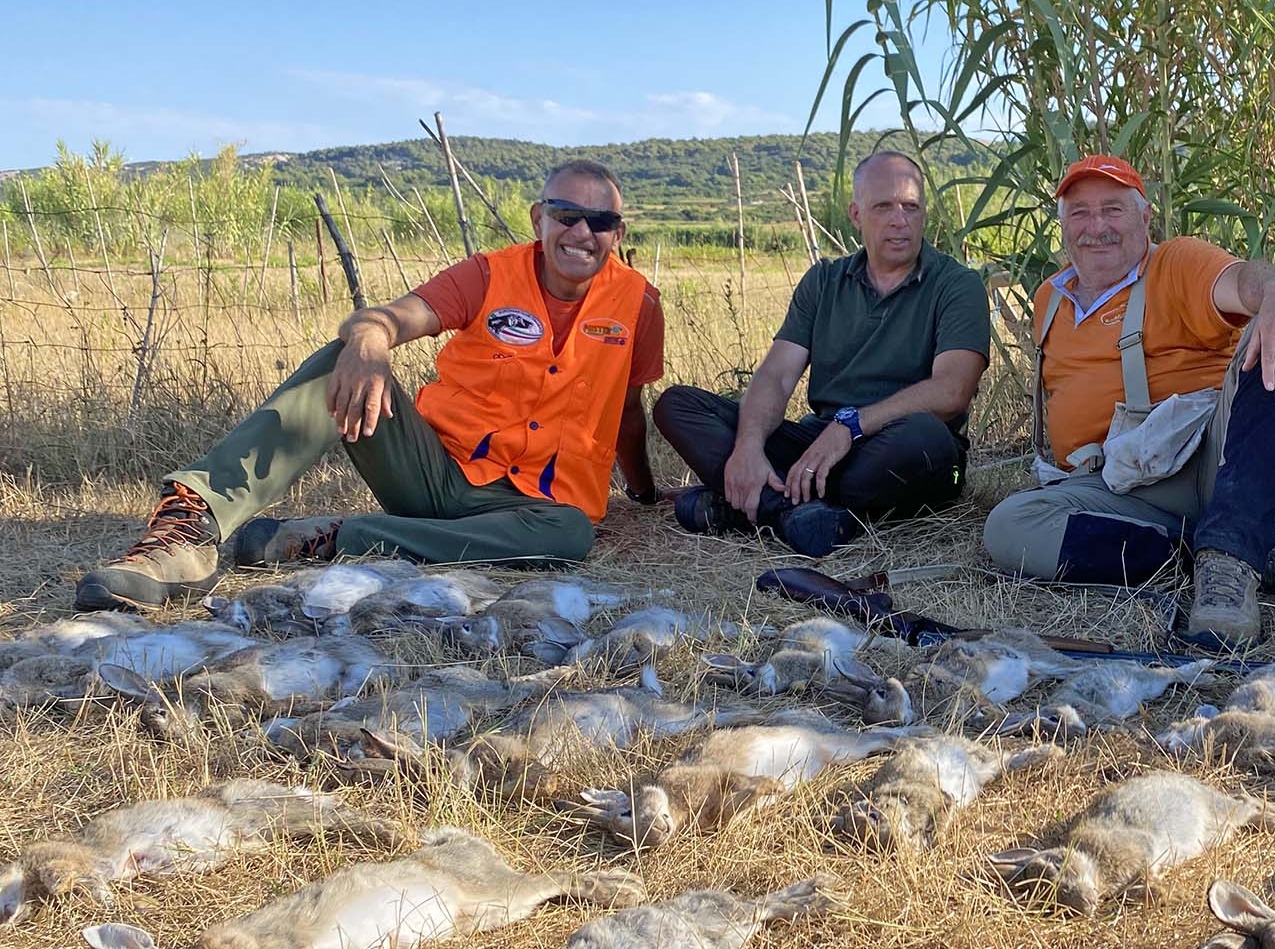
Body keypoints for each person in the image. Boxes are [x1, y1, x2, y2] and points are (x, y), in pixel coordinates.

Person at [75, 159, 664, 612]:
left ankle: (339, 537)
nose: (582, 232)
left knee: (570, 536)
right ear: (539, 218)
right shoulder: (487, 275)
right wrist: (369, 343)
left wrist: (641, 495)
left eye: (602, 221)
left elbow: (627, 409)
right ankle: (189, 529)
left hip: (535, 509)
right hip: (433, 470)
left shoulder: (638, 303)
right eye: (567, 215)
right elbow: (386, 318)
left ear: (618, 233)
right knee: (345, 362)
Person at [981, 154, 1275, 649]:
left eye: (1113, 210)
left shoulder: (1175, 265)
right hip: (1113, 489)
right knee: (1008, 528)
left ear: (1145, 218)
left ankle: (1228, 558)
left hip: (1215, 472)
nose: (1096, 226)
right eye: (1079, 212)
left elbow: (1244, 281)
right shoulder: (1048, 298)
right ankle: (1212, 549)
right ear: (1063, 227)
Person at [654, 151, 990, 558]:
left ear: (924, 215)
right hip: (818, 442)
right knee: (678, 406)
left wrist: (850, 427)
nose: (899, 220)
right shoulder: (824, 281)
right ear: (855, 214)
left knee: (925, 437)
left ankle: (749, 506)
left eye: (911, 207)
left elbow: (951, 391)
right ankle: (799, 512)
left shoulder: (957, 284)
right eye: (883, 206)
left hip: (896, 450)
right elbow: (776, 376)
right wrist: (748, 446)